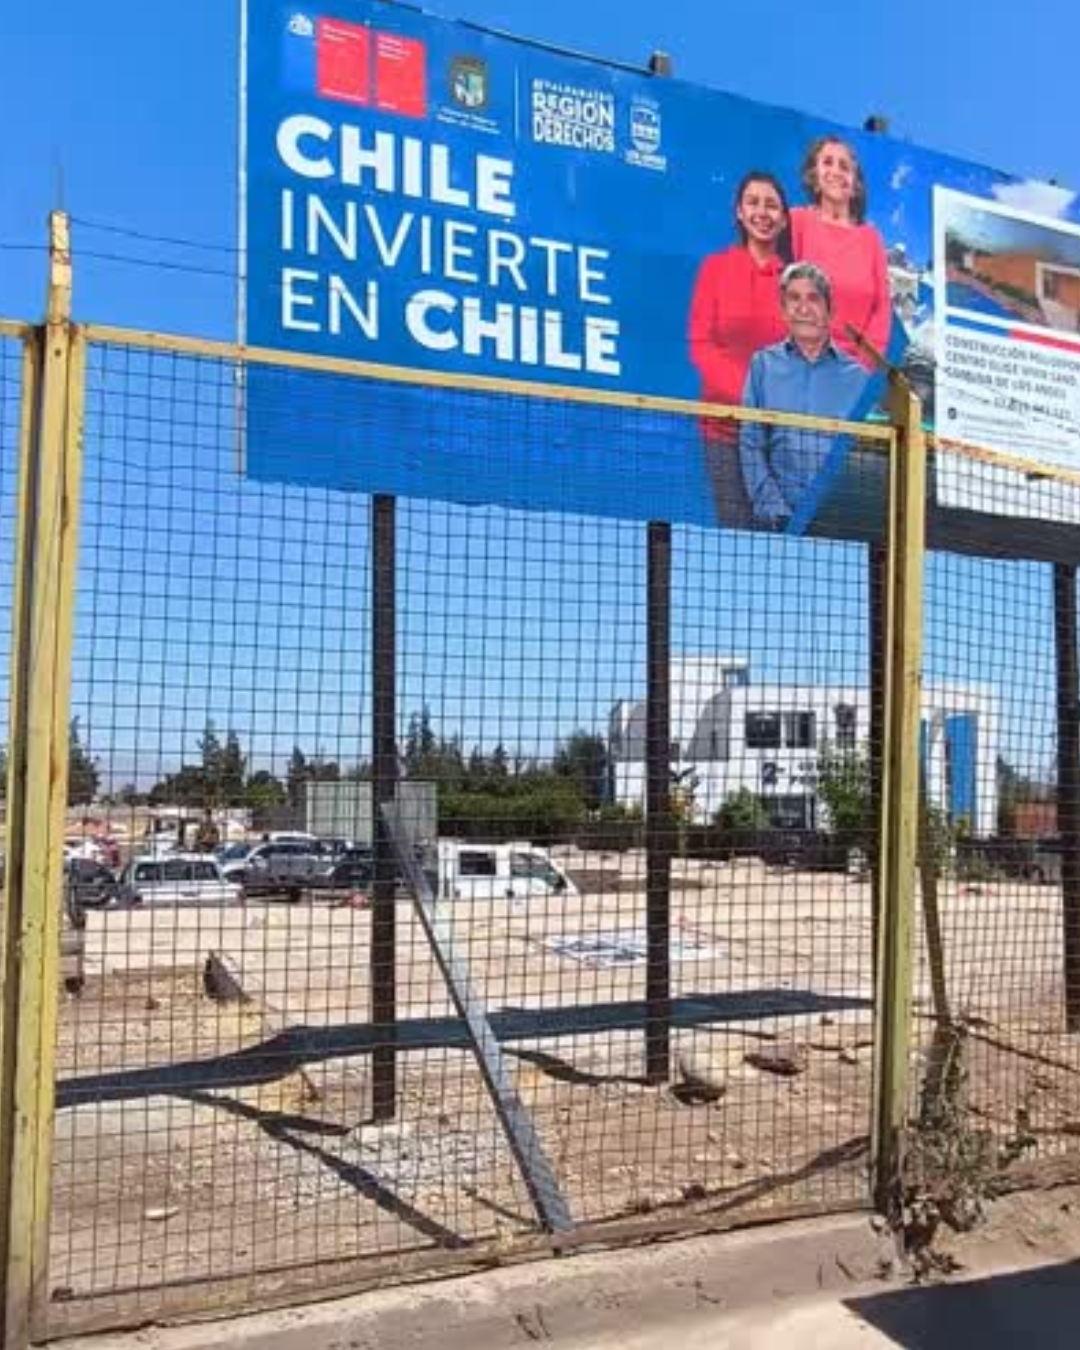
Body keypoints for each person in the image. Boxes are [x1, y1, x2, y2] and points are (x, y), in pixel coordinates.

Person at [739, 262, 869, 525]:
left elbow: (864, 459)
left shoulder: (858, 378)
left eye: (813, 298)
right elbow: (751, 443)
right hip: (776, 522)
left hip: (840, 521)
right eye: (793, 299)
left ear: (830, 310)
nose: (803, 309)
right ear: (784, 310)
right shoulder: (763, 365)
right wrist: (773, 508)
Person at [688, 170, 793, 439]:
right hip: (723, 427)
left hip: (779, 431)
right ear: (739, 212)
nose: (762, 212)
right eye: (753, 202)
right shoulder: (715, 268)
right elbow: (701, 345)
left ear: (783, 220)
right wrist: (744, 396)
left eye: (771, 205)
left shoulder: (796, 281)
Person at [790, 137, 891, 366]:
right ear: (814, 178)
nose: (836, 171)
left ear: (855, 185)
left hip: (849, 374)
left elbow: (882, 309)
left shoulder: (871, 239)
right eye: (828, 163)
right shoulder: (798, 221)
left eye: (844, 167)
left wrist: (858, 372)